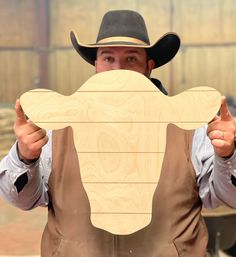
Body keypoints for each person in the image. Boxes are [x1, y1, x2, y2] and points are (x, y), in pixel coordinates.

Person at [0, 9, 236, 257]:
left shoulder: (189, 127)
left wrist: (227, 156)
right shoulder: (58, 129)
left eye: (131, 59)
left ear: (149, 67)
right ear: (96, 66)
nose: (119, 70)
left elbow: (229, 197)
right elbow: (21, 200)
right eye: (108, 59)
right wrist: (25, 157)